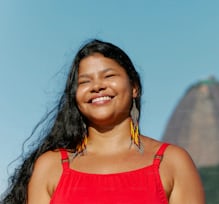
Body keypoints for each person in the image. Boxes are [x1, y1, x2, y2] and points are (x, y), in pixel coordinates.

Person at [1, 39, 205, 204]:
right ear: (75, 95)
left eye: (109, 76)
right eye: (85, 81)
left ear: (134, 87)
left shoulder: (171, 162)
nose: (97, 86)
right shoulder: (50, 166)